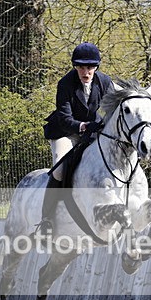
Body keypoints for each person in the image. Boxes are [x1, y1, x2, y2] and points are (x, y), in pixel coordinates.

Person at [39, 42, 114, 235]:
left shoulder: (105, 82)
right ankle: (46, 219)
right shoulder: (65, 83)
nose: (85, 72)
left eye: (89, 67)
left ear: (96, 67)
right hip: (65, 131)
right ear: (75, 67)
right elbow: (64, 118)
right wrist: (82, 126)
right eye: (81, 67)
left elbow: (112, 110)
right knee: (59, 171)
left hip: (91, 131)